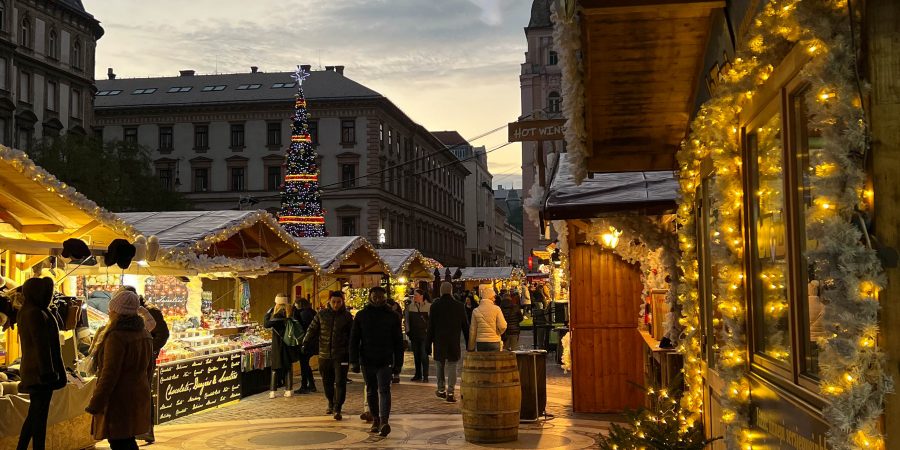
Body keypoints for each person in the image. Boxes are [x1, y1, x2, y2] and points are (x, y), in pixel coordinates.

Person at [85, 290, 154, 450]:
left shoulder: (116, 337)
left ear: (117, 312)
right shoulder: (144, 333)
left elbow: (109, 374)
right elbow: (149, 369)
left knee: (120, 442)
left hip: (119, 399)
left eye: (111, 309)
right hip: (137, 395)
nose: (109, 312)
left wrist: (96, 403)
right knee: (127, 440)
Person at [17, 277, 66, 450]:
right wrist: (48, 372)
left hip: (35, 371)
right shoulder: (35, 313)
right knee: (39, 418)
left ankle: (23, 447)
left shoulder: (28, 311)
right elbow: (41, 346)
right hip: (41, 372)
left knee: (35, 415)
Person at [350, 286, 404, 437]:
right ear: (370, 297)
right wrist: (353, 361)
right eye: (375, 297)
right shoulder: (361, 315)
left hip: (385, 359)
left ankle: (384, 421)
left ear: (385, 298)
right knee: (371, 390)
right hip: (367, 359)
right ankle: (376, 418)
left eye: (380, 297)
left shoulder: (392, 316)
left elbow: (398, 342)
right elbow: (354, 339)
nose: (378, 300)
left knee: (384, 390)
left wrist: (398, 364)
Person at [302, 291, 353, 420]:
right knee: (327, 382)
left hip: (341, 355)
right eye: (334, 302)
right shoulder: (321, 315)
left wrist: (352, 352)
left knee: (340, 382)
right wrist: (305, 342)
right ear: (329, 301)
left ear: (343, 302)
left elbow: (352, 335)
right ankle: (331, 401)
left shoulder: (347, 316)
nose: (336, 305)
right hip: (324, 355)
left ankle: (338, 407)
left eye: (339, 302)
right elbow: (312, 329)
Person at [427, 282, 469, 403]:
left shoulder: (435, 306)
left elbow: (431, 327)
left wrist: (428, 344)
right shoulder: (459, 306)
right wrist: (469, 343)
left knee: (439, 365)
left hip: (439, 340)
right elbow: (465, 326)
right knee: (452, 365)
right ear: (451, 291)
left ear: (441, 291)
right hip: (453, 340)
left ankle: (441, 389)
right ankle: (451, 392)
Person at [136, 294, 169, 445]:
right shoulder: (130, 314)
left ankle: (147, 429)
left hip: (146, 360)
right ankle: (138, 428)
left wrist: (150, 349)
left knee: (144, 392)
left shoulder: (150, 312)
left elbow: (163, 334)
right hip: (135, 359)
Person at [264, 294, 301, 398]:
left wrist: (268, 313)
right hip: (289, 344)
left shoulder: (277, 315)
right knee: (288, 367)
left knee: (275, 368)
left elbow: (266, 324)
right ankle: (288, 390)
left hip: (278, 344)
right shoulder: (292, 313)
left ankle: (272, 391)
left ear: (277, 303)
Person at [468, 284, 507, 352]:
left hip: (481, 342)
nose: (494, 299)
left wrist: (471, 347)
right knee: (495, 359)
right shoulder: (497, 309)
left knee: (483, 359)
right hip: (494, 340)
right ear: (490, 297)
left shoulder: (476, 311)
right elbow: (503, 326)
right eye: (493, 297)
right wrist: (499, 333)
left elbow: (473, 330)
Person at [404, 288, 431, 382]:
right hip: (414, 334)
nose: (414, 297)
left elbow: (431, 321)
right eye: (413, 295)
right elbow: (407, 319)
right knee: (416, 355)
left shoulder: (429, 306)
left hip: (424, 335)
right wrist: (408, 331)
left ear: (421, 296)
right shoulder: (410, 306)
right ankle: (418, 374)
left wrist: (430, 332)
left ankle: (425, 375)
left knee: (424, 354)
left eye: (416, 295)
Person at [295, 298, 317, 394]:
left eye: (296, 305)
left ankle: (305, 385)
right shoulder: (311, 312)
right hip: (311, 342)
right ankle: (311, 385)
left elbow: (303, 328)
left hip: (306, 343)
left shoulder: (304, 314)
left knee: (304, 364)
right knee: (305, 364)